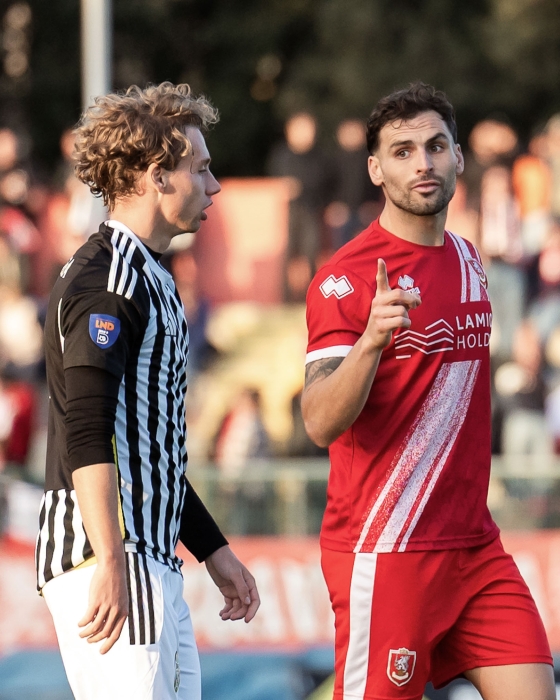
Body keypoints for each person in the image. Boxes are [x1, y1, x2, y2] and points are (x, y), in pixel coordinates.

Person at [302, 82, 554, 700]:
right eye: (403, 151)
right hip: (388, 549)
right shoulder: (345, 278)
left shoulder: (470, 260)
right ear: (375, 169)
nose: (423, 163)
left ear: (458, 157)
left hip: (477, 548)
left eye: (436, 146)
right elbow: (318, 421)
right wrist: (370, 342)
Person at [35, 82, 260, 700]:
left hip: (148, 555)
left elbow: (147, 446)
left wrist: (212, 550)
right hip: (109, 554)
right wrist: (110, 560)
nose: (214, 185)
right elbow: (86, 431)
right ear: (158, 175)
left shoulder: (149, 274)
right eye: (201, 169)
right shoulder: (108, 281)